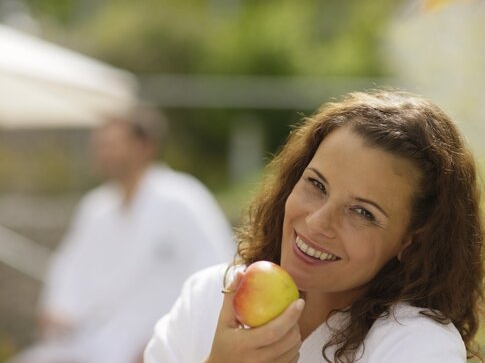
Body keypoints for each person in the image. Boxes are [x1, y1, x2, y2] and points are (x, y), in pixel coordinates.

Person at [144, 90, 484, 363]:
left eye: (363, 213)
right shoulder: (208, 296)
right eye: (317, 185)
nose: (317, 221)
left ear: (412, 242)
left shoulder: (416, 344)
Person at [10, 105, 235, 363]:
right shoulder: (95, 208)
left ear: (145, 146)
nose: (103, 153)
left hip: (156, 344)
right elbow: (70, 269)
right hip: (93, 339)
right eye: (100, 145)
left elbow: (216, 271)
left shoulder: (183, 200)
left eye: (113, 144)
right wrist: (58, 310)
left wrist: (166, 339)